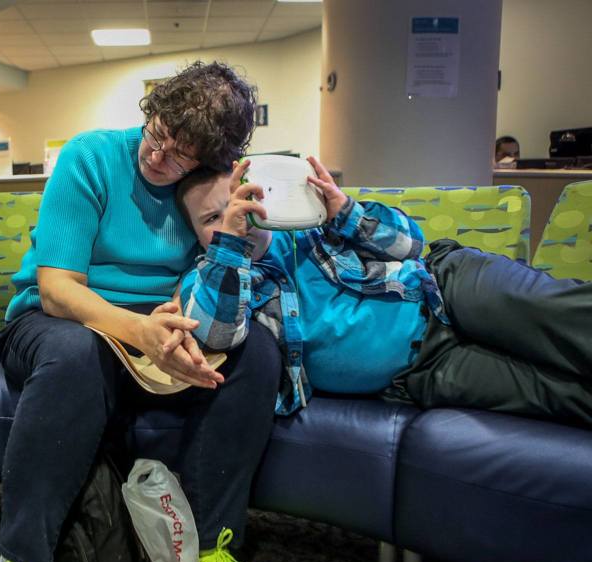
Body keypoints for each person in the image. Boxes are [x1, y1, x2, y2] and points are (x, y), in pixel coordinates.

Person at [0, 61, 282, 562]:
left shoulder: (210, 190)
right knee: (77, 351)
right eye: (157, 134)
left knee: (256, 352)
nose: (159, 157)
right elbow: (56, 290)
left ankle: (213, 552)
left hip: (153, 336)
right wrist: (141, 334)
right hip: (58, 324)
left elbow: (214, 280)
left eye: (181, 156)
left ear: (210, 159)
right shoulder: (91, 158)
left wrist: (180, 332)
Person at [175, 156, 592, 427]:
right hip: (422, 370)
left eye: (237, 202)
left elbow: (411, 242)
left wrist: (345, 212)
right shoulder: (206, 279)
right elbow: (218, 335)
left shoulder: (310, 222)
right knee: (556, 396)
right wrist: (229, 244)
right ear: (194, 233)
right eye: (211, 216)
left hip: (447, 286)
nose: (232, 217)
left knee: (561, 314)